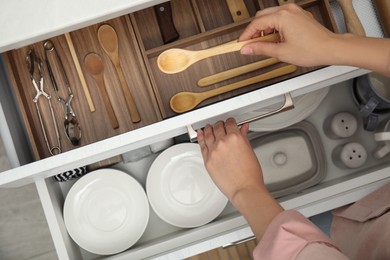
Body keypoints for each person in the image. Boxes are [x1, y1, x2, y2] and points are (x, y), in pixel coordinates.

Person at [197, 3, 390, 259]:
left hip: (359, 231)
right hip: (367, 218)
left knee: (326, 222)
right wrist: (331, 45)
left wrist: (245, 189)